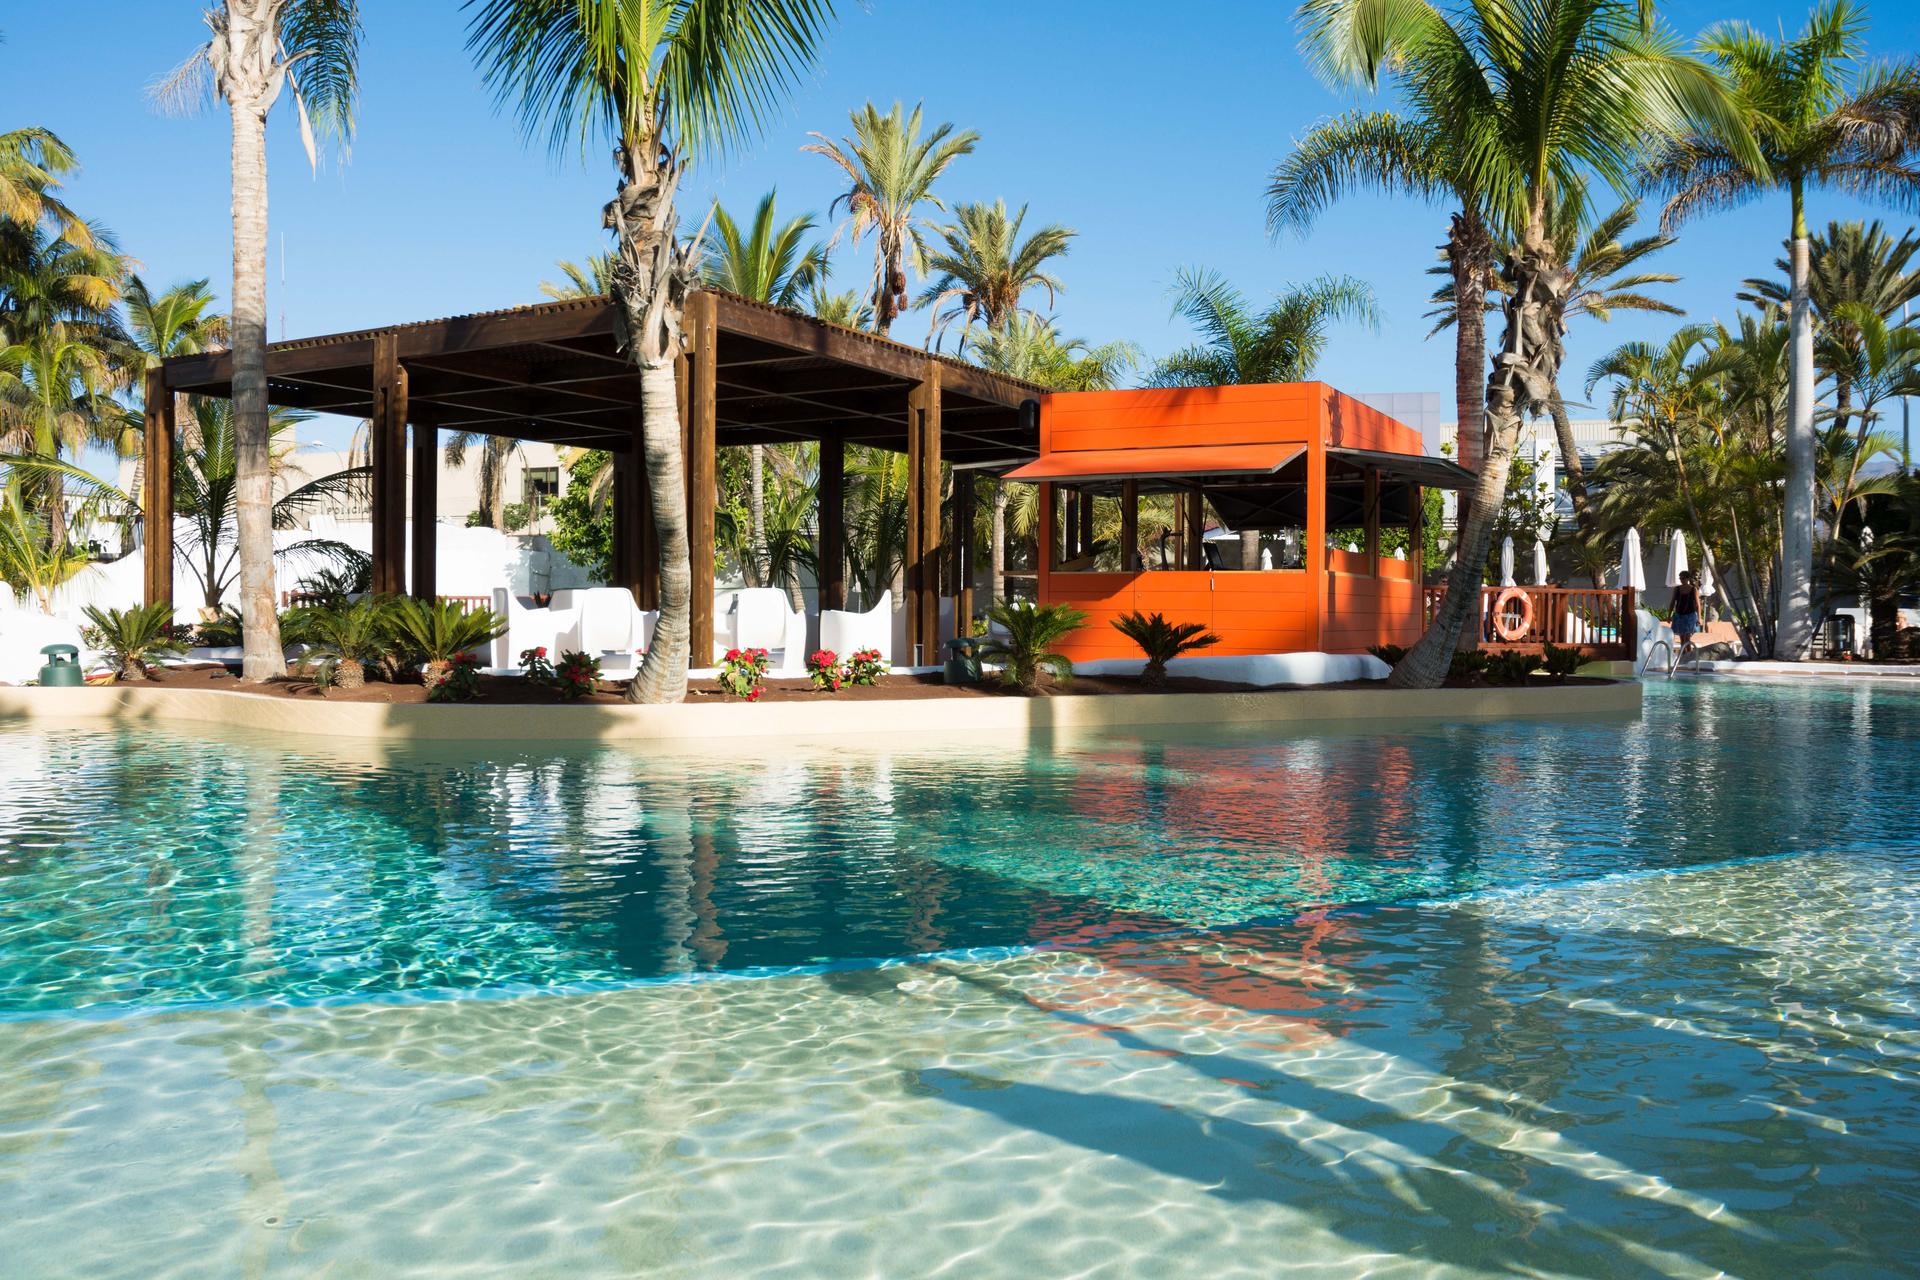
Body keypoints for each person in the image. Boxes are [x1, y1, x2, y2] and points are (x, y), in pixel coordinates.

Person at [1671, 569, 1701, 657]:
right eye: (1680, 578)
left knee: (1687, 639)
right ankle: (1683, 657)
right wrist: (1669, 615)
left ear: (1688, 579)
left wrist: (1699, 618)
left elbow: (1698, 605)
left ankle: (1689, 657)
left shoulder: (1693, 589)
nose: (1681, 580)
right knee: (1682, 639)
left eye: (1683, 578)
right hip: (1679, 615)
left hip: (1690, 615)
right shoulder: (1677, 589)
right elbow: (1672, 602)